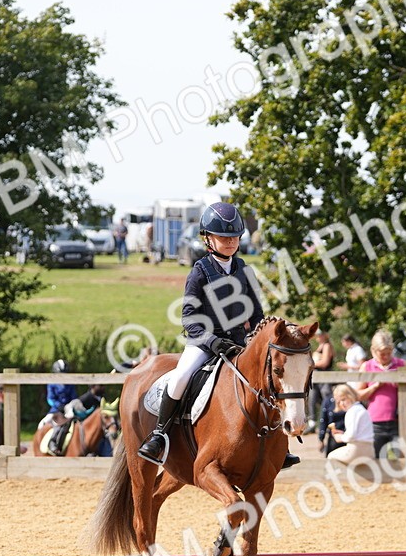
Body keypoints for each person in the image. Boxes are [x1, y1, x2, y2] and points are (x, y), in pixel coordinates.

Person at [136, 202, 299, 471]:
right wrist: (211, 341)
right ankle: (160, 435)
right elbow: (189, 317)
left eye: (234, 237)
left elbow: (256, 313)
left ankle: (281, 445)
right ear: (208, 239)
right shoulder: (199, 271)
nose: (230, 242)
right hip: (204, 343)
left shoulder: (244, 269)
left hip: (239, 343)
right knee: (179, 378)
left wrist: (256, 338)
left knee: (270, 379)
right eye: (224, 237)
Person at [356, 329, 406, 459]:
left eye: (388, 353)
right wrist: (376, 385)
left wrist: (400, 384)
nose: (385, 356)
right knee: (375, 459)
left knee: (403, 459)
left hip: (399, 420)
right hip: (375, 421)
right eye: (382, 354)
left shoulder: (402, 365)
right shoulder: (367, 367)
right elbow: (359, 395)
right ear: (373, 351)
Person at [327, 385, 374, 465]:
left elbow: (351, 435)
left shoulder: (352, 411)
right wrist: (344, 434)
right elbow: (359, 433)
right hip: (370, 451)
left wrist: (340, 437)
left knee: (330, 456)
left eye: (343, 399)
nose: (342, 404)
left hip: (356, 450)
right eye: (339, 402)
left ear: (351, 396)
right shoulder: (361, 409)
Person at [41, 360, 79, 429]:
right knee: (42, 425)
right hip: (56, 409)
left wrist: (70, 405)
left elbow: (74, 397)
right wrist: (59, 406)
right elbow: (50, 399)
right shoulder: (51, 384)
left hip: (69, 408)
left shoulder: (71, 384)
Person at [308, 330, 335, 424]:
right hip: (316, 378)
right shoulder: (320, 346)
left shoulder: (327, 346)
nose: (318, 337)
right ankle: (313, 421)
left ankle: (329, 420)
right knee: (312, 398)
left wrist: (311, 364)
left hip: (325, 377)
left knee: (326, 397)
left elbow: (325, 363)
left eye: (320, 335)